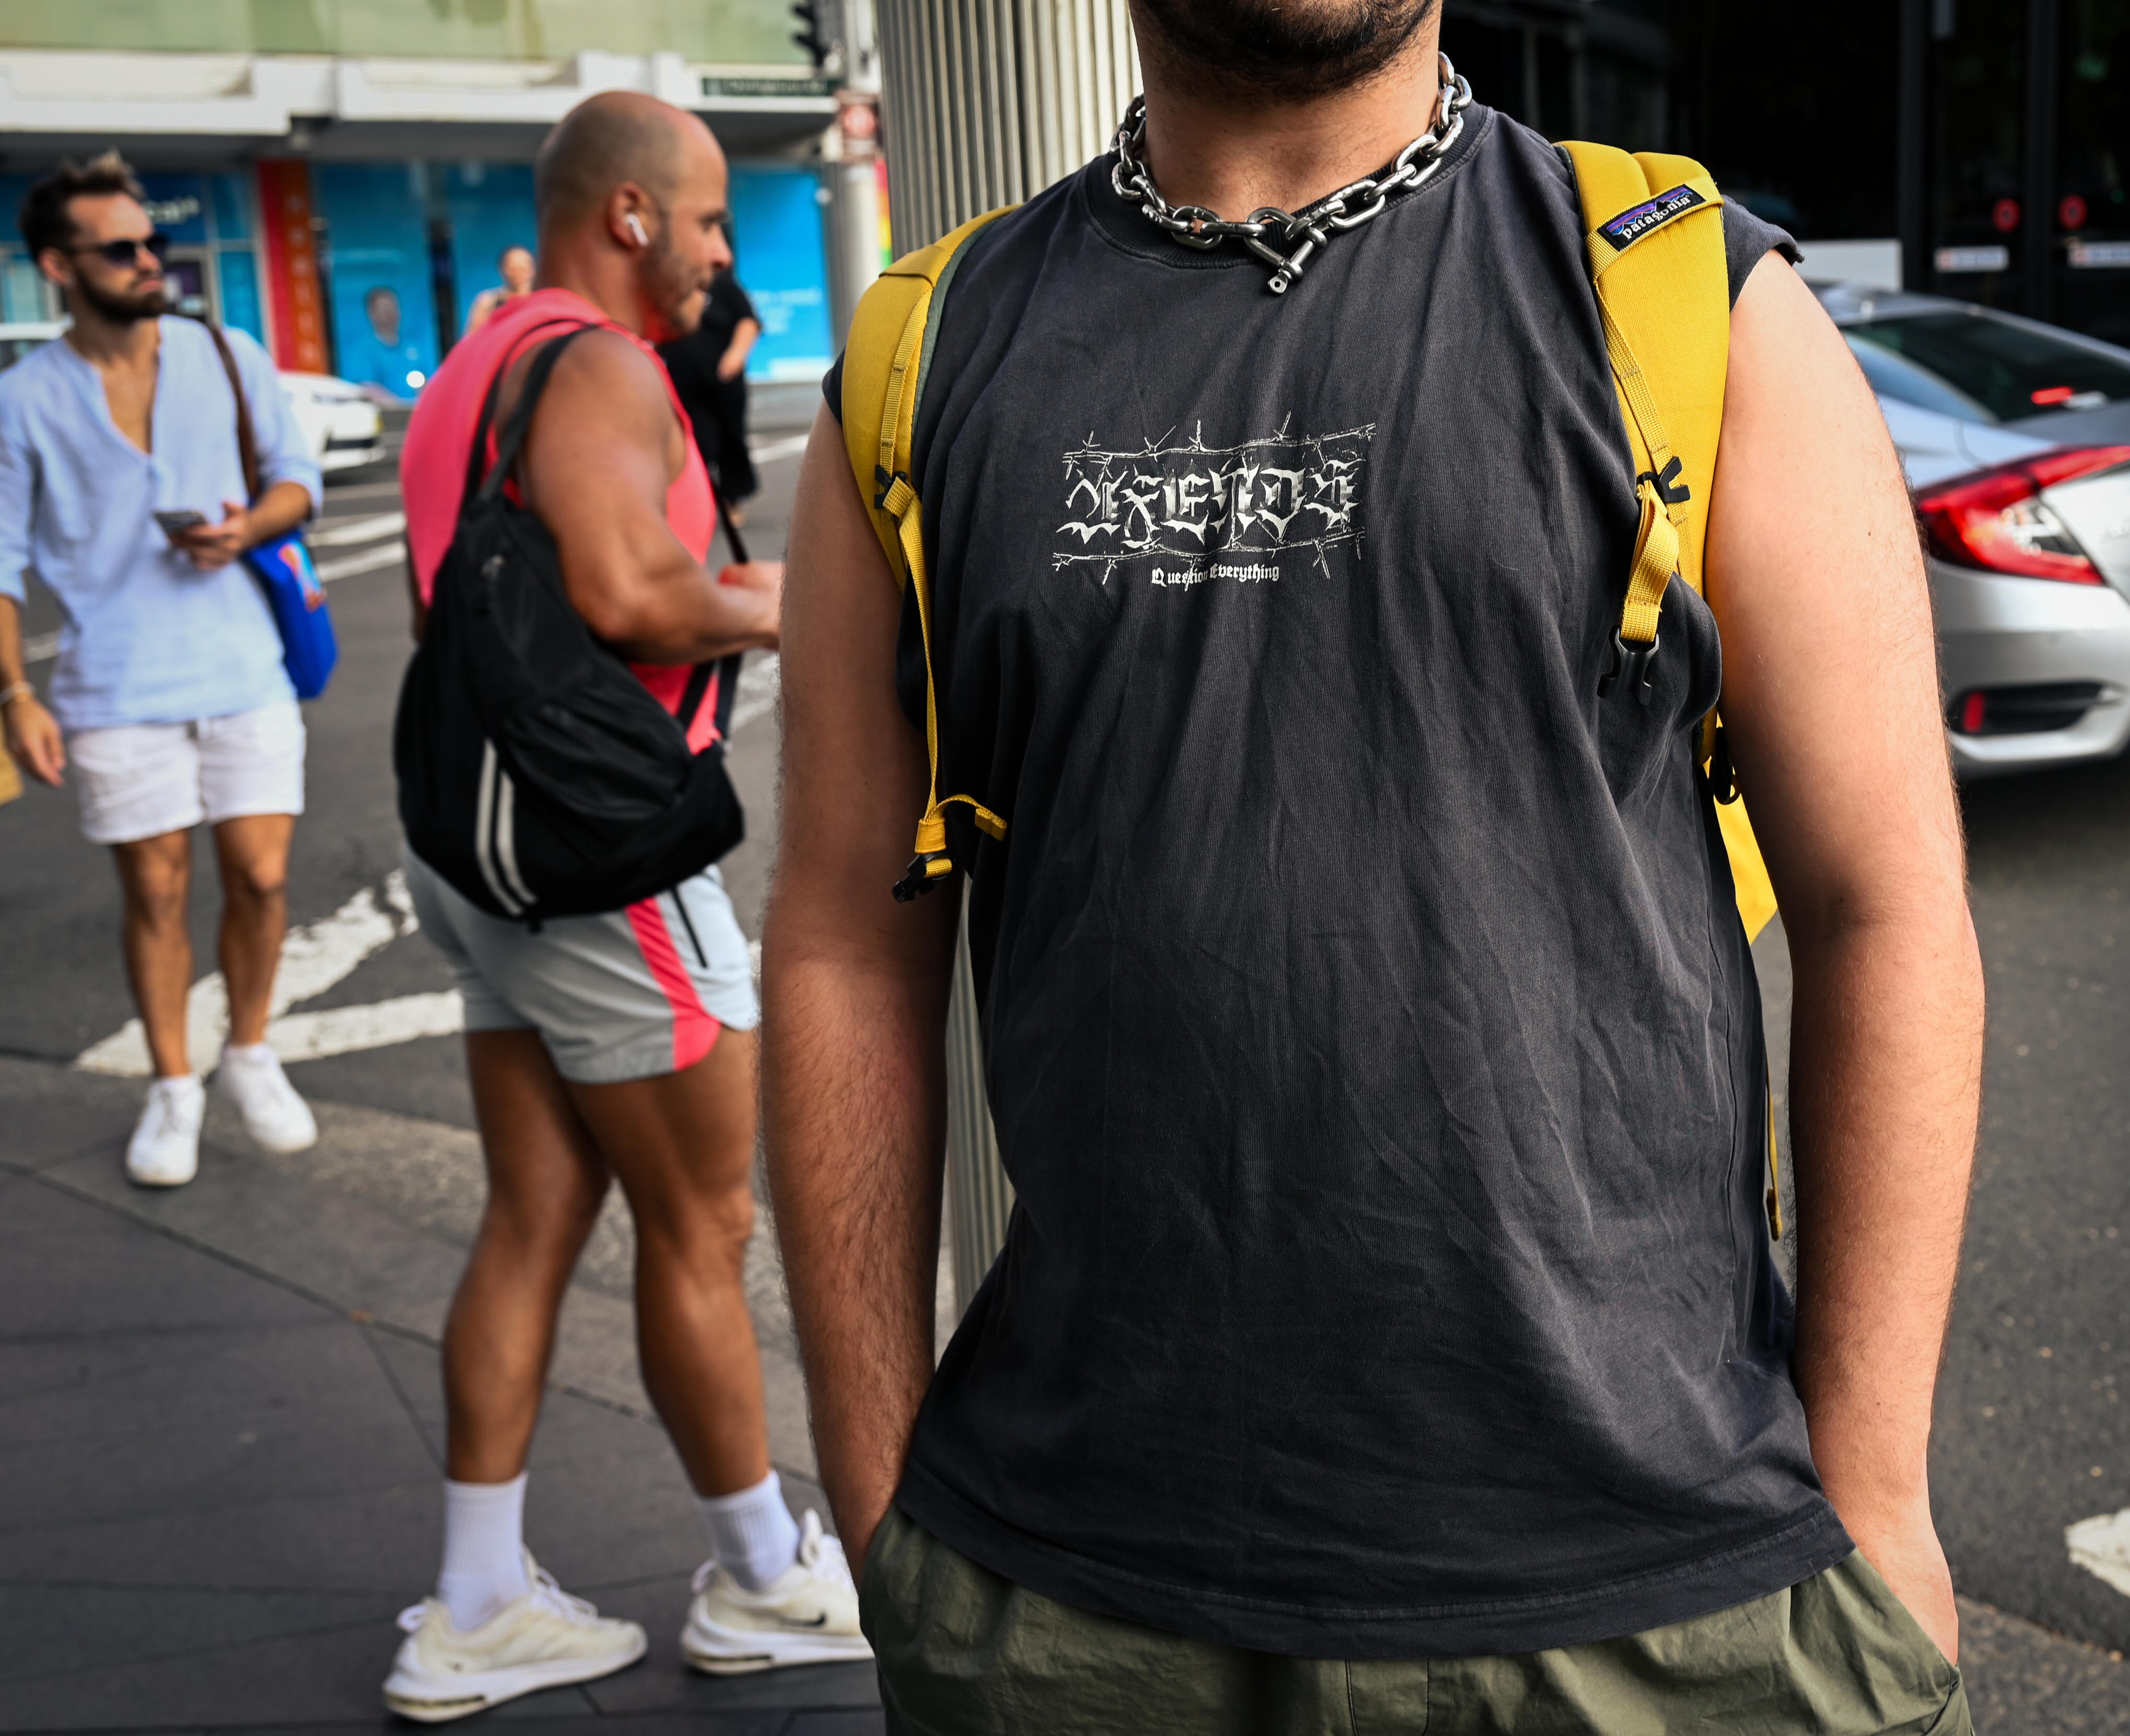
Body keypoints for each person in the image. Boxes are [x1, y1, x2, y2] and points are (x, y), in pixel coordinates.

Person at [764, 2, 1985, 1732]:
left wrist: (1876, 1495)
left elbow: (1891, 905)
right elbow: (839, 940)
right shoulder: (926, 354)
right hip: (1068, 1618)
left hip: (1673, 1610)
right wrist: (881, 1491)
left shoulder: (1692, 298)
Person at [382, 91, 867, 1721]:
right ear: (636, 215)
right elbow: (626, 592)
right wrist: (804, 605)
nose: (728, 254)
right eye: (715, 220)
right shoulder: (594, 361)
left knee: (535, 1213)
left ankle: (472, 1600)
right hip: (603, 864)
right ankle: (760, 1576)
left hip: (484, 852)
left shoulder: (476, 364)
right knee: (700, 1224)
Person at [0, 151, 323, 1189]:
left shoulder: (225, 352)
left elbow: (297, 480)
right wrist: (15, 694)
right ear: (59, 264)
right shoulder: (25, 400)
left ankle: (251, 1050)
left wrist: (246, 529)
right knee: (155, 890)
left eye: (156, 244)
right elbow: (1, 559)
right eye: (124, 249)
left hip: (245, 663)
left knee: (263, 877)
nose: (151, 261)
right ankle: (174, 1084)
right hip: (114, 685)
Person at [658, 260, 760, 519]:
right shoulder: (669, 290)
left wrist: (737, 354)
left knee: (731, 439)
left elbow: (748, 321)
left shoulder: (724, 287)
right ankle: (697, 504)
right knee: (698, 443)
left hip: (724, 380)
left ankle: (733, 500)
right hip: (684, 383)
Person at [464, 243, 536, 333]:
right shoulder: (488, 301)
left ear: (533, 270)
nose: (518, 274)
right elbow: (472, 338)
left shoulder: (540, 300)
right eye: (513, 269)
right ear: (502, 269)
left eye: (523, 269)